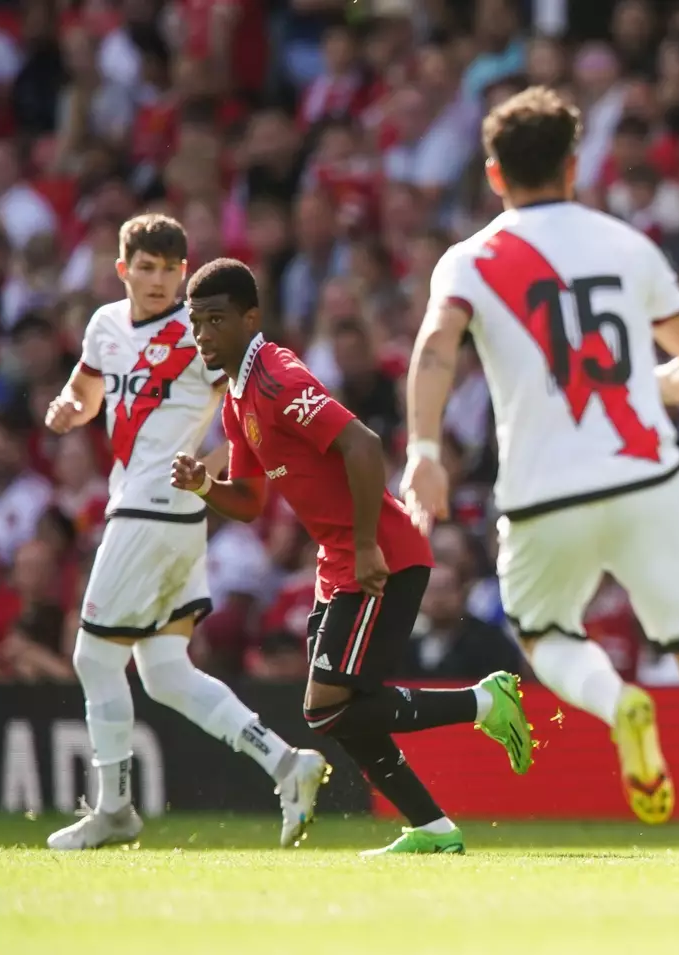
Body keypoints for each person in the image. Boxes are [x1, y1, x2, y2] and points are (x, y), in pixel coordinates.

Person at [400, 86, 679, 891]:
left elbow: (434, 347)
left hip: (541, 494)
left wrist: (424, 447)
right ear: (575, 163)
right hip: (648, 477)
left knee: (545, 635)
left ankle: (618, 702)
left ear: (494, 173)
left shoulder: (469, 259)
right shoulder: (627, 245)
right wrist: (651, 385)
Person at [170, 257, 532, 857]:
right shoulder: (237, 402)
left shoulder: (276, 377)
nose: (203, 333)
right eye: (195, 321)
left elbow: (361, 445)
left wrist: (364, 544)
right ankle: (433, 828)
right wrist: (204, 487)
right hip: (338, 564)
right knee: (337, 712)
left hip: (378, 555)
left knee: (327, 706)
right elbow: (251, 503)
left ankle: (487, 702)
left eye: (215, 319)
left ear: (250, 317)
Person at [42, 215, 329, 851]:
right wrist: (68, 407)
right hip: (158, 513)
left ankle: (114, 809)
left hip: (153, 508)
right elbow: (87, 394)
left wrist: (215, 467)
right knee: (167, 672)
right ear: (123, 270)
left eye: (170, 269)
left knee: (92, 657)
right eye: (145, 267)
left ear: (183, 271)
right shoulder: (104, 326)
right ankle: (288, 763)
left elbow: (245, 411)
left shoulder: (199, 332)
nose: (157, 279)